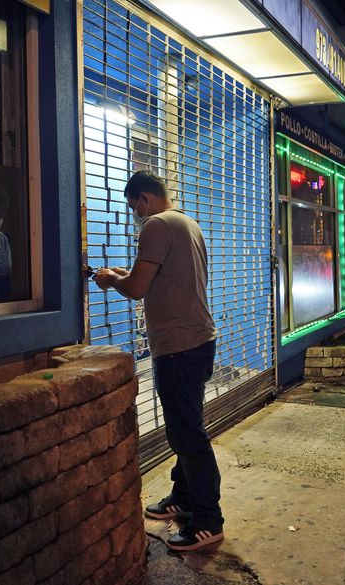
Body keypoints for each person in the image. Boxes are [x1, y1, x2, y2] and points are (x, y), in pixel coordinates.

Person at [93, 170, 221, 552]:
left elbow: (135, 289)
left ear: (143, 200)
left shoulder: (154, 226)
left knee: (188, 435)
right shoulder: (187, 223)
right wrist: (121, 273)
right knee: (186, 428)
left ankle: (208, 520)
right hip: (197, 340)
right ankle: (182, 497)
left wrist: (111, 280)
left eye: (134, 207)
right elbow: (159, 278)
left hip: (179, 346)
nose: (134, 214)